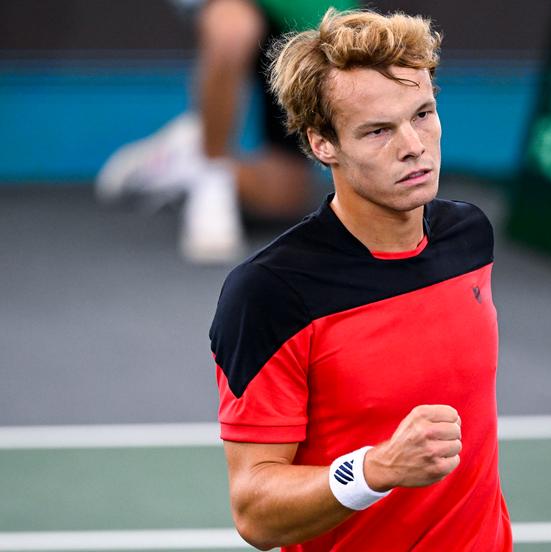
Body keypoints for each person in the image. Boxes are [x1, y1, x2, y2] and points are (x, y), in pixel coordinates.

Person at [209, 7, 512, 551]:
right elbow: (255, 510)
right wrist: (373, 470)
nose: (413, 146)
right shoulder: (272, 293)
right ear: (323, 143)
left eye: (422, 114)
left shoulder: (468, 238)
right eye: (378, 131)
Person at [95, 0, 353, 264]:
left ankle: (184, 156)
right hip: (242, 8)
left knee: (286, 197)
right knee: (233, 29)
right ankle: (212, 173)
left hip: (312, 20)